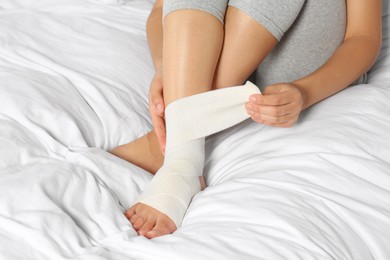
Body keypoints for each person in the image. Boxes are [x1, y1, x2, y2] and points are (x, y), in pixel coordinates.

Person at [111, 0, 382, 239]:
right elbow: (161, 9)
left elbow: (364, 38)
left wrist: (306, 91)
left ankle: (177, 145)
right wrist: (165, 66)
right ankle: (184, 140)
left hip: (301, 56)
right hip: (223, 52)